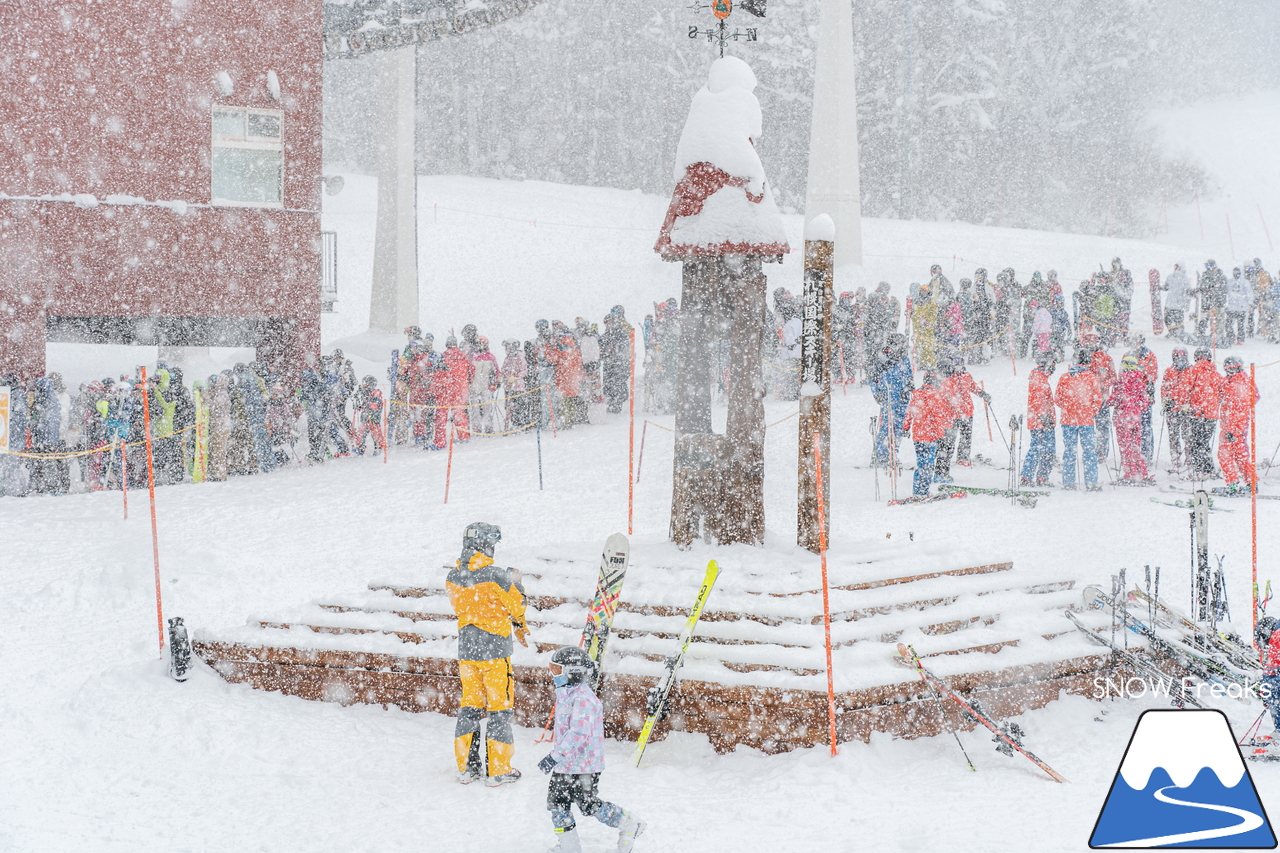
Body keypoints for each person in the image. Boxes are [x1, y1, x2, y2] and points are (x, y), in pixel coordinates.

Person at [538, 646, 644, 853]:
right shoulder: (566, 693)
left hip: (585, 764)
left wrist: (554, 756)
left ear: (572, 671)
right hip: (566, 764)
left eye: (556, 669)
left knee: (589, 805)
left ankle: (629, 823)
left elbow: (578, 732)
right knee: (557, 804)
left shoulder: (583, 698)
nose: (553, 674)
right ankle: (569, 846)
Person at [446, 522, 527, 787]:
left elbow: (462, 606)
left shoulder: (453, 577)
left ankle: (468, 769)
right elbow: (518, 607)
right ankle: (498, 770)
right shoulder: (497, 576)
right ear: (486, 544)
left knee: (469, 709)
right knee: (499, 711)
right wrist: (518, 584)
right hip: (495, 655)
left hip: (468, 654)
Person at [1055, 349, 1103, 491]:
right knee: (1089, 452)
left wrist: (1068, 409)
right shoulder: (1092, 378)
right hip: (1086, 421)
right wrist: (1089, 411)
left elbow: (1057, 399)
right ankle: (1091, 482)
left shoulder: (1065, 377)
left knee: (1069, 451)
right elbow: (1098, 400)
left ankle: (1068, 482)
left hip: (1068, 420)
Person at [935, 359, 989, 483]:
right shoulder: (949, 377)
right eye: (956, 364)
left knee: (966, 435)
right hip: (953, 413)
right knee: (950, 438)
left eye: (960, 363)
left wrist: (982, 394)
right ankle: (945, 461)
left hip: (967, 411)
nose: (958, 367)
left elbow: (973, 387)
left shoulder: (967, 376)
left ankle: (963, 457)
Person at [902, 371, 952, 498]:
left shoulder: (916, 396)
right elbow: (937, 418)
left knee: (920, 464)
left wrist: (905, 428)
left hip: (918, 436)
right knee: (928, 465)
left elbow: (909, 414)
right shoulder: (935, 396)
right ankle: (924, 491)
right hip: (931, 436)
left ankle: (917, 490)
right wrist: (941, 434)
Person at [869, 333, 914, 467]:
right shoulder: (882, 359)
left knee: (898, 427)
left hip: (901, 397)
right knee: (887, 426)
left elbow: (909, 376)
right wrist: (877, 394)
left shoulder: (904, 359)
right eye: (897, 345)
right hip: (888, 396)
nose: (899, 347)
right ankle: (881, 455)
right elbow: (873, 379)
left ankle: (893, 454)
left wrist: (909, 389)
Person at [1108, 355, 1153, 484]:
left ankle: (1130, 473)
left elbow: (1113, 399)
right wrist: (1135, 408)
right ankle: (1142, 472)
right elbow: (1145, 401)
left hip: (1122, 419)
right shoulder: (1139, 382)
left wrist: (1109, 402)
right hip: (1135, 419)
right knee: (1136, 446)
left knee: (1125, 447)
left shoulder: (1120, 382)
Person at [1218, 356, 1258, 494]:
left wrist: (1230, 429)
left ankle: (1233, 484)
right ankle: (1252, 482)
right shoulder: (1244, 381)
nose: (1229, 374)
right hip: (1239, 427)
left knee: (1225, 455)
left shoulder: (1234, 385)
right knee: (1240, 456)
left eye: (1231, 371)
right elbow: (1254, 397)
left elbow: (1233, 410)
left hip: (1231, 428)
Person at [1020, 354, 1057, 487]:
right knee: (1047, 449)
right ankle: (1040, 477)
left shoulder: (1039, 377)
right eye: (1053, 363)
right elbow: (1039, 400)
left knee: (1037, 448)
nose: (1054, 366)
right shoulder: (1039, 378)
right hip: (1042, 421)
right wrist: (1045, 417)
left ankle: (1028, 476)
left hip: (1037, 420)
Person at [1184, 348, 1222, 478]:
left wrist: (1183, 403)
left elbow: (1186, 388)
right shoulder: (1215, 373)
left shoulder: (1193, 371)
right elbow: (1222, 392)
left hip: (1197, 412)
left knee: (1196, 441)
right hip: (1211, 414)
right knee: (1205, 441)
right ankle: (1208, 468)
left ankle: (1201, 469)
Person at [434, 336, 475, 448]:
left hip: (447, 389)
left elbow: (438, 374)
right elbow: (472, 369)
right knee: (459, 413)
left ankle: (440, 441)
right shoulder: (464, 356)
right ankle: (463, 436)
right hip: (461, 389)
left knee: (442, 415)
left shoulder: (443, 356)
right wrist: (468, 381)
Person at [1160, 349, 1192, 474]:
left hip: (1186, 409)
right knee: (1173, 435)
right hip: (1172, 408)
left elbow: (1194, 389)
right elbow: (1164, 387)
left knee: (1188, 435)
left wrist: (1189, 403)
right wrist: (1166, 401)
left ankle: (1189, 458)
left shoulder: (1191, 371)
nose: (1180, 361)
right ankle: (1175, 458)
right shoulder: (1169, 371)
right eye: (1177, 358)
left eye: (1183, 358)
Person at [1127, 336, 1158, 464]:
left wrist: (1146, 386)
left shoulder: (1149, 356)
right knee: (1130, 427)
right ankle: (1132, 455)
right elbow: (1122, 374)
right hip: (1130, 398)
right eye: (1132, 341)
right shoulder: (1127, 355)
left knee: (1145, 427)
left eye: (1136, 341)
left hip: (1144, 397)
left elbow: (1152, 375)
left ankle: (1146, 455)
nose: (1134, 344)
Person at [600, 306, 633, 415]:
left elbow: (623, 349)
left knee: (616, 385)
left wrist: (616, 358)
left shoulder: (620, 335)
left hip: (618, 365)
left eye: (609, 323)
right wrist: (604, 356)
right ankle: (611, 403)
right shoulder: (605, 335)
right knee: (608, 385)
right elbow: (601, 348)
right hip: (608, 365)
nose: (608, 325)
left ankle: (616, 405)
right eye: (606, 324)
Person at [350, 376, 385, 456]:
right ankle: (360, 447)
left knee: (376, 433)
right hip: (365, 417)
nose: (364, 386)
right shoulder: (365, 392)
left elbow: (376, 405)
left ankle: (378, 447)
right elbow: (361, 402)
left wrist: (368, 404)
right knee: (361, 432)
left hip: (374, 417)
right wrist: (358, 404)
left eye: (365, 384)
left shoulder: (377, 392)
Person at [912, 285, 938, 370]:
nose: (923, 293)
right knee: (920, 347)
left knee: (929, 348)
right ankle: (923, 363)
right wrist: (919, 321)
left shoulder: (931, 302)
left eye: (925, 291)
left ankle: (931, 364)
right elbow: (914, 314)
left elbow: (934, 314)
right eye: (922, 291)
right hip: (919, 329)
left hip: (928, 329)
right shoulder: (916, 302)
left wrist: (928, 321)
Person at [1163, 263, 1192, 339]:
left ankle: (1179, 334)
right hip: (1169, 303)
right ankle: (1172, 332)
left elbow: (1188, 292)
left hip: (1179, 304)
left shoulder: (1185, 279)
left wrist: (1186, 303)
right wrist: (1158, 287)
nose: (1176, 269)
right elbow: (1166, 287)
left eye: (1178, 267)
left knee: (1178, 321)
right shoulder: (1170, 277)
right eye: (1175, 267)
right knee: (1167, 320)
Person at [1226, 267, 1253, 346]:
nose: (1236, 274)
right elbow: (1226, 292)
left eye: (1237, 273)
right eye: (1235, 272)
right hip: (1231, 307)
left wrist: (1250, 303)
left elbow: (1249, 293)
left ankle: (1240, 339)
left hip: (1241, 307)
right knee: (1229, 324)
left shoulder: (1245, 282)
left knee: (1240, 325)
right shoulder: (1230, 281)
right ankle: (1231, 337)